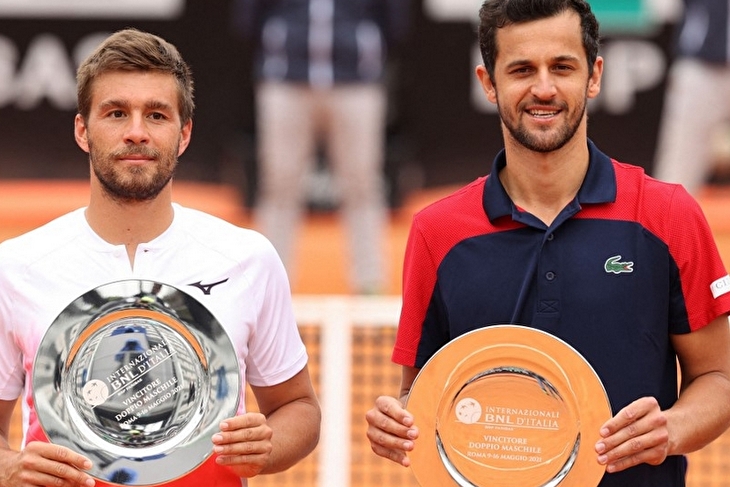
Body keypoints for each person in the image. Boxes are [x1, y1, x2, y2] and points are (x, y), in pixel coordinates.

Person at [365, 0, 730, 485]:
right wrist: (398, 422)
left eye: (562, 67)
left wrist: (672, 428)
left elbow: (719, 377)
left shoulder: (669, 215)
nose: (543, 88)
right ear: (488, 83)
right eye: (521, 70)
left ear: (594, 76)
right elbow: (419, 394)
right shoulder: (438, 231)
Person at [0, 28, 320, 487]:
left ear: (183, 133)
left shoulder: (248, 258)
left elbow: (298, 407)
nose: (136, 132)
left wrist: (267, 446)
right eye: (116, 113)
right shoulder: (15, 267)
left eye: (156, 115)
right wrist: (9, 468)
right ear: (82, 130)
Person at [232, 0, 410, 294]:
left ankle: (369, 282)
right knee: (279, 183)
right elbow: (248, 17)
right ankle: (271, 285)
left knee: (363, 183)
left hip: (357, 82)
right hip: (285, 80)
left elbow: (395, 20)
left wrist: (360, 44)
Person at [653, 0, 730, 194]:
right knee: (681, 161)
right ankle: (668, 212)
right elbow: (660, 8)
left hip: (701, 65)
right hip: (701, 65)